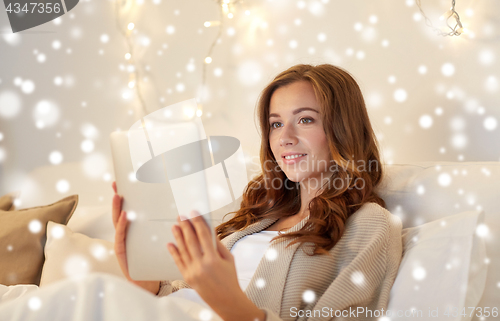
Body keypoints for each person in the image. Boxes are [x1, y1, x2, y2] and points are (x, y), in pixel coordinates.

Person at [112, 63, 403, 321]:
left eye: (305, 119)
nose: (284, 138)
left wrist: (231, 304)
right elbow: (187, 300)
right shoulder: (259, 214)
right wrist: (146, 284)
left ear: (343, 129)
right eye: (276, 124)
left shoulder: (370, 224)